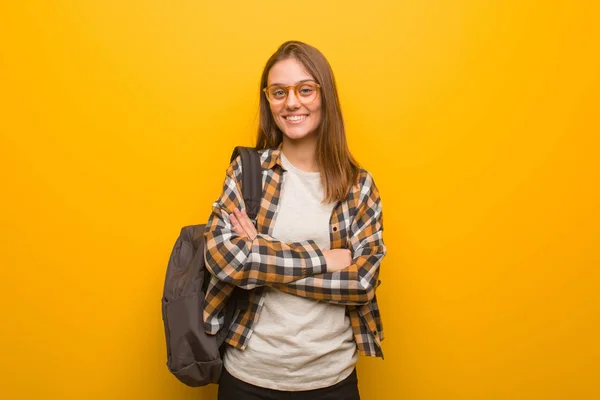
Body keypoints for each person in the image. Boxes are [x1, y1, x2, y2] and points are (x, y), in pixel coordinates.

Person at [203, 40, 386, 400]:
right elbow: (221, 259)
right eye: (279, 92)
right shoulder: (248, 172)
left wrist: (261, 258)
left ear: (325, 95)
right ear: (268, 101)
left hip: (331, 379)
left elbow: (361, 282)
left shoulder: (358, 186)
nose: (291, 102)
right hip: (248, 376)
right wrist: (322, 259)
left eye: (305, 89)